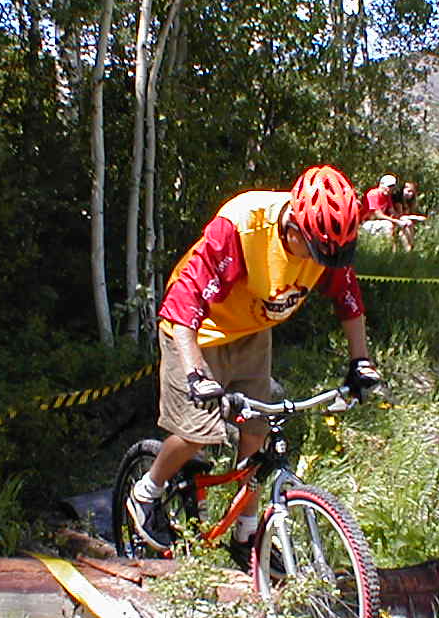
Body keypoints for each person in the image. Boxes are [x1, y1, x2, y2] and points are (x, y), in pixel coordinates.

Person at [126, 164, 383, 563]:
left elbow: (348, 299)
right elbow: (183, 303)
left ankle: (247, 534)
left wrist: (360, 363)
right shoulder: (242, 225)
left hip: (251, 330)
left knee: (257, 429)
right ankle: (146, 492)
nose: (320, 262)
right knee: (197, 433)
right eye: (315, 251)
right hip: (196, 332)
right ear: (294, 226)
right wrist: (195, 373)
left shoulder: (328, 237)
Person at [391, 182, 427, 253]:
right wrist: (415, 217)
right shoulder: (398, 199)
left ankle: (409, 248)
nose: (410, 194)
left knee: (407, 227)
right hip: (394, 219)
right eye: (408, 191)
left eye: (412, 192)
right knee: (407, 224)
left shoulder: (409, 202)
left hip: (402, 221)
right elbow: (400, 215)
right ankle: (410, 248)